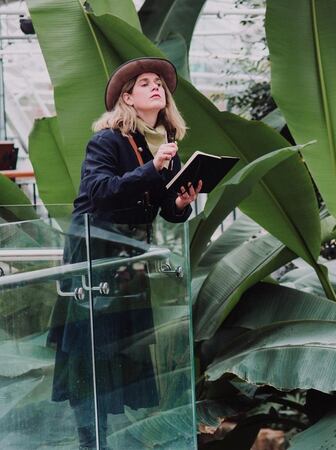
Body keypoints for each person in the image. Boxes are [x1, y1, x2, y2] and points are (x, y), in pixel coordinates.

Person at [46, 57, 201, 449]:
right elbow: (99, 191)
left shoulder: (166, 147)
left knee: (122, 350)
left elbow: (165, 209)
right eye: (145, 83)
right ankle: (88, 439)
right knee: (89, 351)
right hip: (93, 256)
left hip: (130, 259)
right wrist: (154, 169)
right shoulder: (107, 140)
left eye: (159, 84)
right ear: (128, 99)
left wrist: (181, 203)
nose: (156, 87)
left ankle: (108, 438)